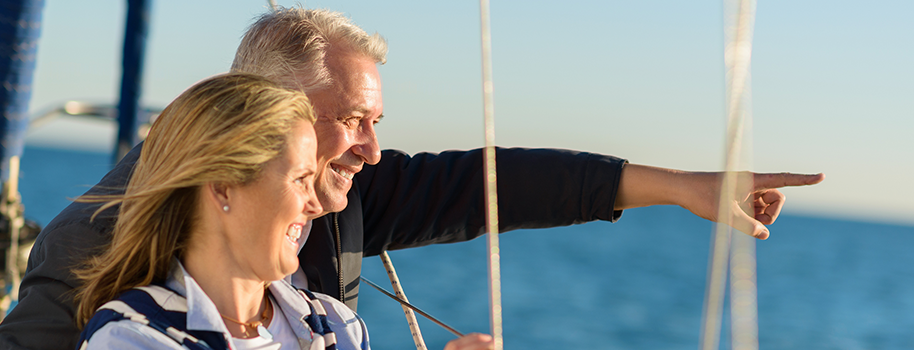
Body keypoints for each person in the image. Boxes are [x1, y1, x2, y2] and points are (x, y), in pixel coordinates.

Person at [0, 7, 823, 349]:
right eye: (352, 121)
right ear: (269, 114)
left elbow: (490, 185)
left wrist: (681, 187)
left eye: (377, 126)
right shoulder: (104, 264)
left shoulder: (324, 283)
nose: (370, 150)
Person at [73, 73, 491, 350]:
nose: (313, 205)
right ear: (223, 187)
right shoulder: (133, 334)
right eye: (298, 180)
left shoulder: (337, 324)